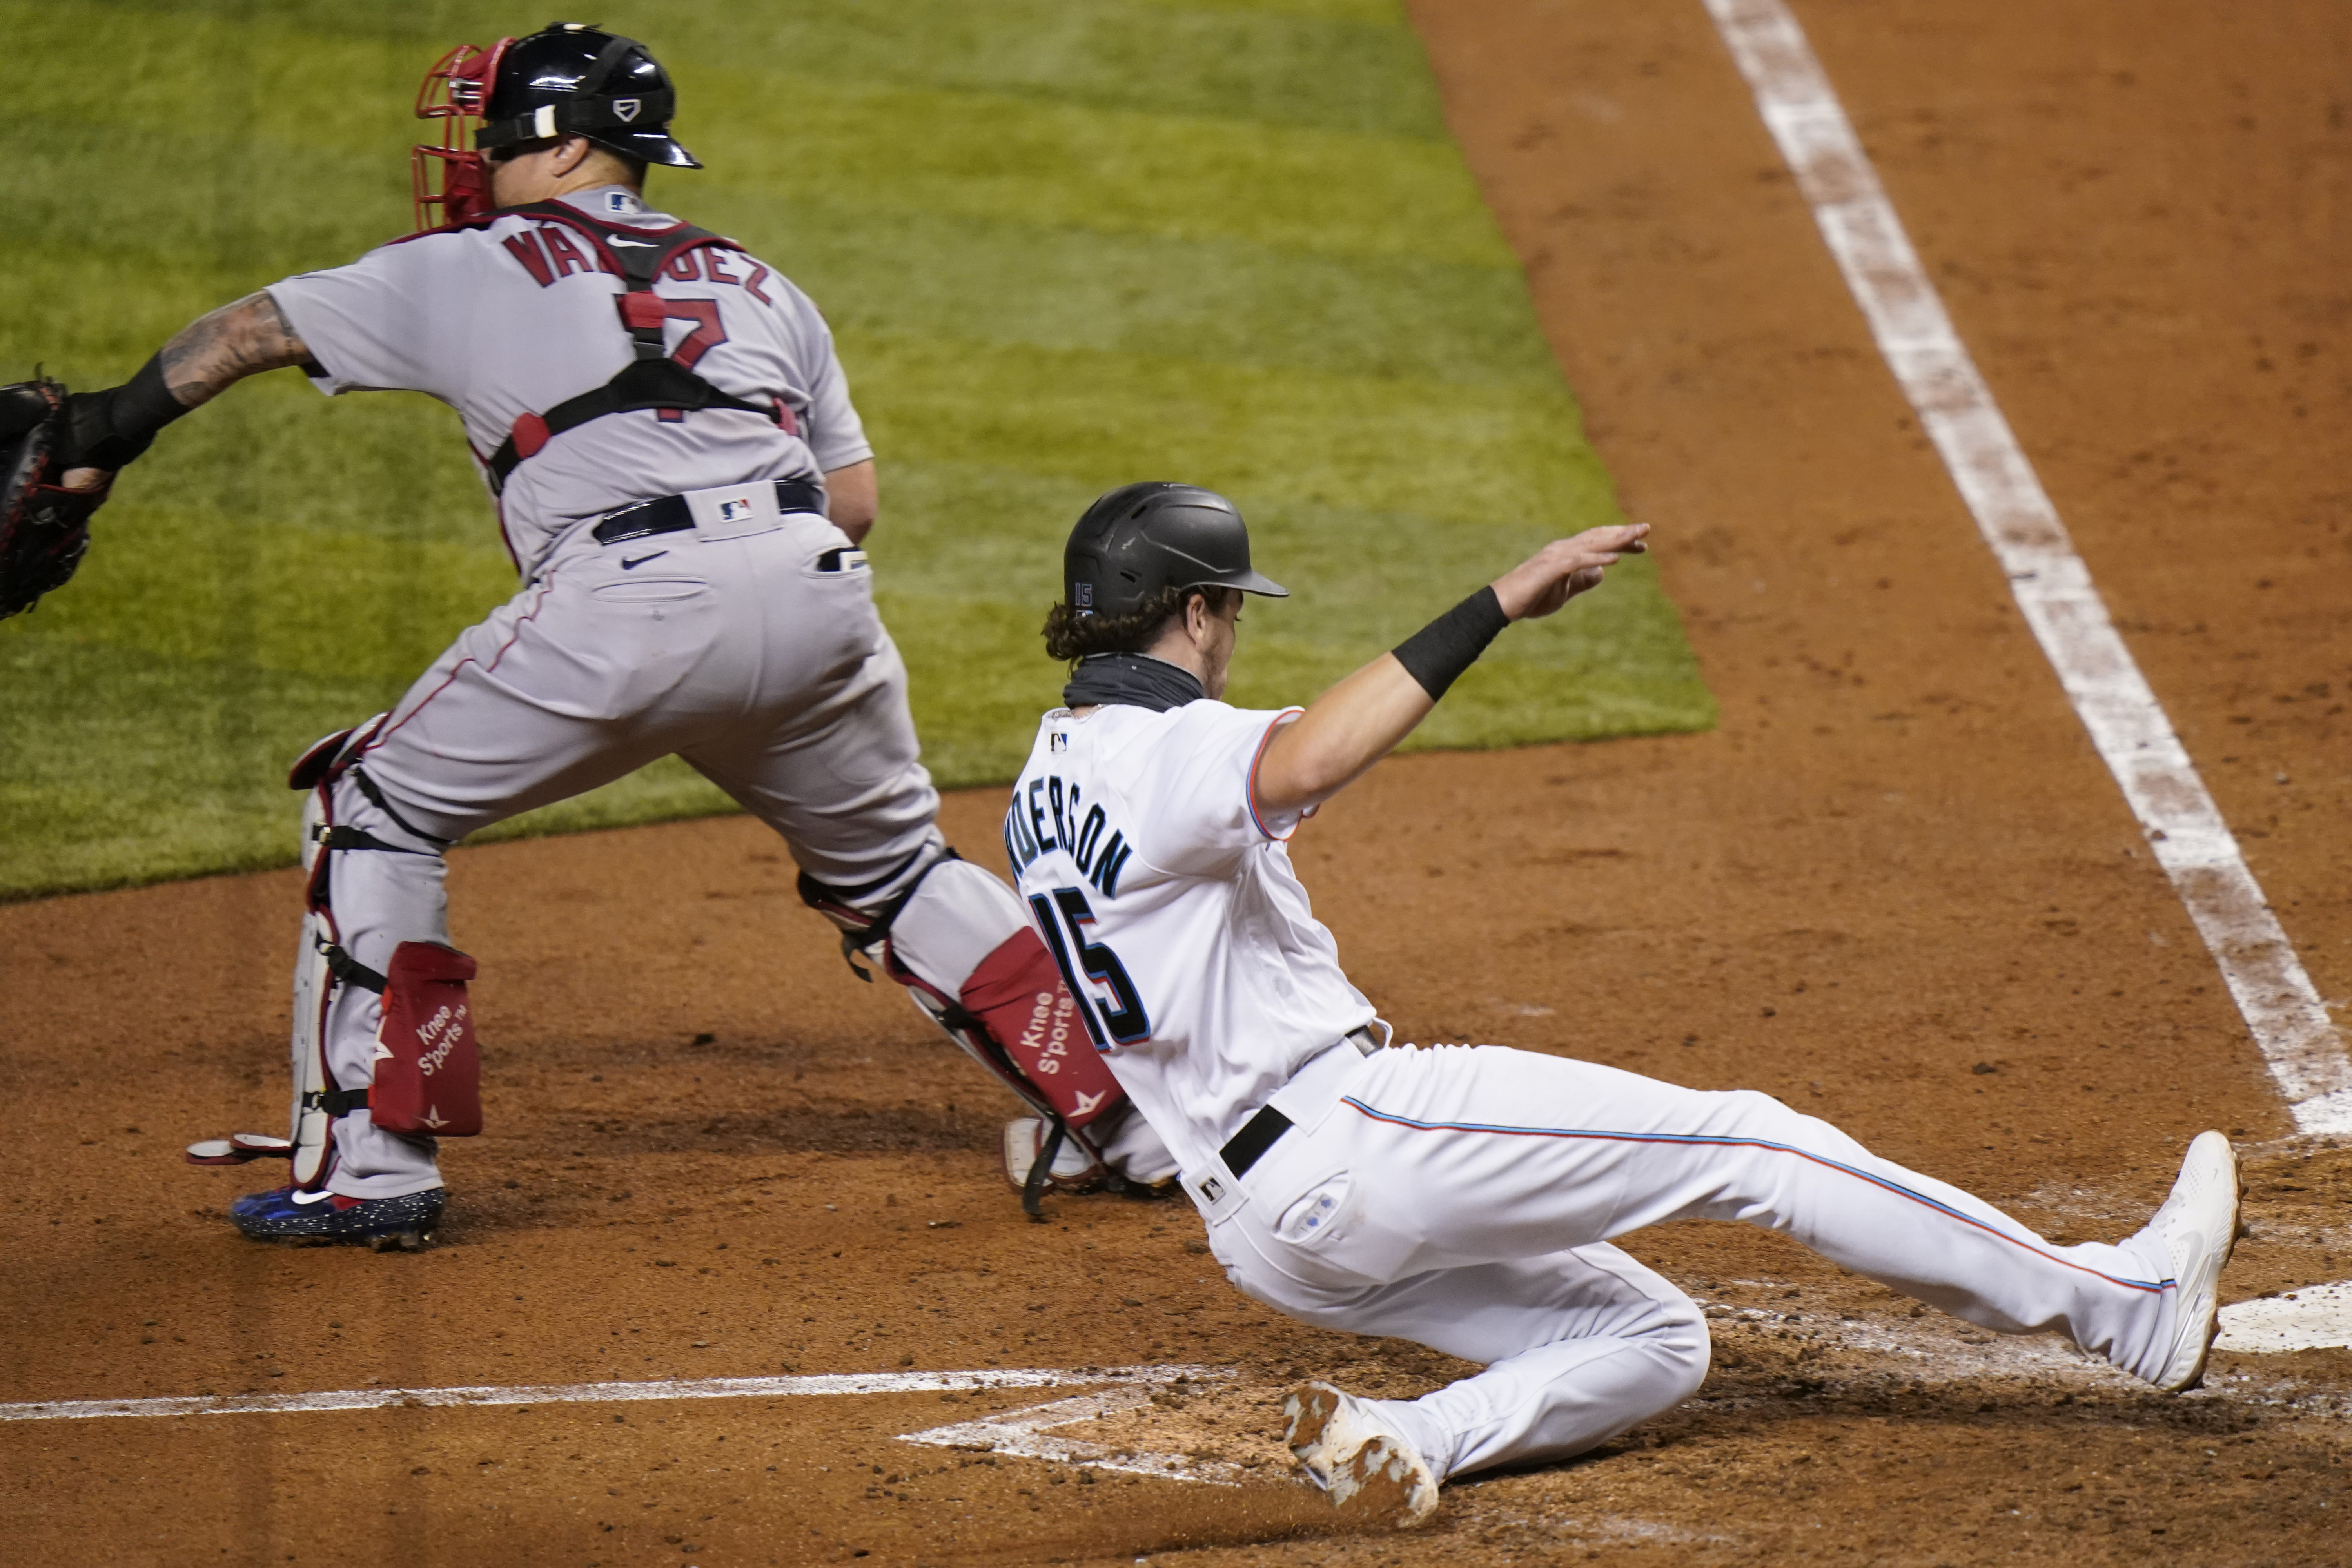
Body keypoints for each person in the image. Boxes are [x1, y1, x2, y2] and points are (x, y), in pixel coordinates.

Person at [46, 22, 1163, 1248]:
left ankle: (372, 1170)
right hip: (817, 590)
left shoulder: (470, 263)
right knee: (895, 873)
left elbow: (250, 331)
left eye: (489, 136)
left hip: (628, 605)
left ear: (563, 144)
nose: (468, 162)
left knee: (372, 802)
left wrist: (106, 429)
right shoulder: (759, 279)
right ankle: (1131, 1124)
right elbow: (855, 500)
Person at [1004, 481, 2244, 1526]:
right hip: (1355, 1138)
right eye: (1229, 612)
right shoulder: (1166, 754)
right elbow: (1314, 756)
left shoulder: (1037, 787)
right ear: (1202, 610)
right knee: (1757, 1141)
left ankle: (1416, 1438)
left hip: (1265, 1234)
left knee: (1658, 1341)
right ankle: (2123, 1307)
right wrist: (1500, 600)